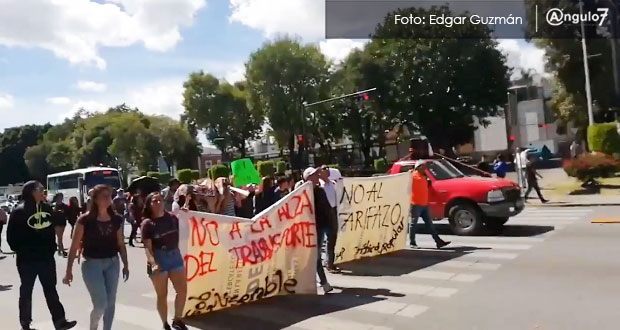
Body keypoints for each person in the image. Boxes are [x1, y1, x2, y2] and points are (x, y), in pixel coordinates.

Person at [6, 181, 77, 330]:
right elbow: (11, 236)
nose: (42, 191)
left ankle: (60, 321)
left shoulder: (46, 208)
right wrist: (22, 250)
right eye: (39, 189)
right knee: (26, 291)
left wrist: (52, 247)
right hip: (27, 260)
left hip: (46, 258)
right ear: (31, 191)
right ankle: (25, 323)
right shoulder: (19, 211)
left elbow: (52, 228)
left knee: (51, 289)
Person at [63, 185, 129, 330]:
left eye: (109, 195)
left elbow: (120, 243)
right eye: (104, 196)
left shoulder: (116, 219)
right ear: (96, 200)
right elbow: (74, 247)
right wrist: (68, 271)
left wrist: (126, 264)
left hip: (112, 262)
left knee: (110, 303)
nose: (108, 199)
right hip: (92, 264)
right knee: (101, 304)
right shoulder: (84, 220)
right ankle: (93, 327)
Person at [141, 192, 188, 330]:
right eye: (154, 201)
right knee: (162, 295)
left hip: (175, 256)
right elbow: (147, 248)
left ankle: (177, 319)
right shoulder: (147, 224)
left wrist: (186, 215)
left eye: (160, 200)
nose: (158, 203)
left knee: (182, 291)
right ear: (149, 205)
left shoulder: (173, 218)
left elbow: (186, 231)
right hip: (158, 258)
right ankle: (164, 324)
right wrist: (153, 263)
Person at [303, 167, 333, 293]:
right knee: (314, 256)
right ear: (307, 178)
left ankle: (321, 281)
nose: (316, 177)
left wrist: (330, 225)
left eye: (316, 175)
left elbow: (326, 208)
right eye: (313, 175)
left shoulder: (320, 191)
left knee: (315, 255)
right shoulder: (302, 192)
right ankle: (322, 282)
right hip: (307, 229)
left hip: (320, 227)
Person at [409, 161, 451, 249]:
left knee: (430, 224)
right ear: (418, 167)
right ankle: (412, 243)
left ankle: (438, 241)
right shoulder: (412, 176)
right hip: (416, 204)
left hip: (424, 204)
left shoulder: (424, 177)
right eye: (423, 167)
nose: (425, 168)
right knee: (413, 224)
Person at [318, 166, 340, 273]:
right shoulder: (319, 186)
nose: (326, 174)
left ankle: (330, 261)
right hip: (324, 213)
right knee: (324, 238)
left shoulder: (333, 184)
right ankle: (326, 262)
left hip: (334, 211)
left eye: (327, 172)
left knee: (332, 237)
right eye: (324, 172)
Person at [52, 193, 69, 257]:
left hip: (62, 223)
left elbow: (67, 214)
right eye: (59, 197)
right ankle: (62, 251)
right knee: (59, 238)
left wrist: (64, 213)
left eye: (61, 197)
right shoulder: (53, 206)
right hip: (56, 223)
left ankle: (60, 250)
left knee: (60, 237)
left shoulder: (65, 206)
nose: (60, 199)